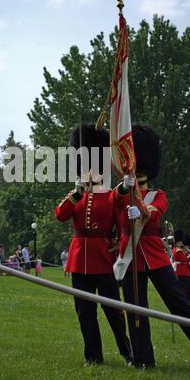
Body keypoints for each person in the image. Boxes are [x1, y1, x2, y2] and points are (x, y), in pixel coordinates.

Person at [113, 124, 190, 369]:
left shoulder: (158, 195)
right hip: (130, 256)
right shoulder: (121, 193)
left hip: (154, 255)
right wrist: (125, 188)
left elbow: (154, 214)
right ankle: (143, 358)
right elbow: (113, 209)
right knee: (135, 309)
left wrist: (141, 208)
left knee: (178, 302)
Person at [55, 124, 132, 366]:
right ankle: (93, 356)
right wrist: (76, 194)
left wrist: (127, 185)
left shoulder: (109, 194)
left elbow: (119, 199)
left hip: (103, 259)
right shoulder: (76, 195)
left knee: (114, 312)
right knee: (85, 314)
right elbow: (60, 214)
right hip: (80, 261)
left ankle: (127, 351)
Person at [173, 230, 190, 302]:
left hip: (181, 270)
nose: (181, 243)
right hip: (181, 271)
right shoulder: (178, 250)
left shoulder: (176, 249)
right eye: (180, 241)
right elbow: (184, 260)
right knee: (183, 288)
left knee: (183, 288)